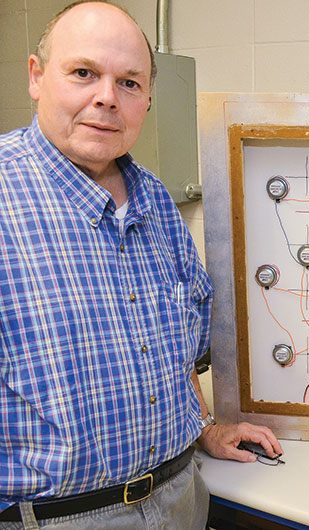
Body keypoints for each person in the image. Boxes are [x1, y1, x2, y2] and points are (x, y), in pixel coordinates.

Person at [0, 2, 282, 528]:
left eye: (129, 82)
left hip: (181, 499)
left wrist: (204, 427)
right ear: (37, 78)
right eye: (84, 73)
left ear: (148, 98)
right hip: (60, 518)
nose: (107, 97)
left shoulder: (155, 200)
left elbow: (175, 355)